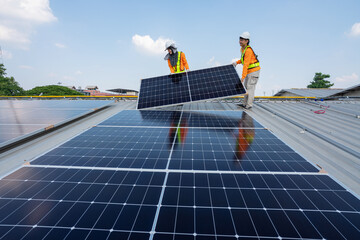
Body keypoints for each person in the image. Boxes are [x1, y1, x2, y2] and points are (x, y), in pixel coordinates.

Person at [233, 32, 260, 109]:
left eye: (242, 40)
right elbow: (243, 60)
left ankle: (249, 105)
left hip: (254, 71)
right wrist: (237, 62)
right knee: (246, 88)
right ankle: (245, 103)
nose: (240, 41)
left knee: (250, 88)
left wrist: (243, 76)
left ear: (247, 41)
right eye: (240, 39)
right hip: (249, 71)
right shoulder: (242, 49)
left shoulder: (248, 50)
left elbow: (246, 64)